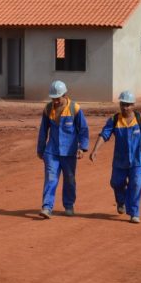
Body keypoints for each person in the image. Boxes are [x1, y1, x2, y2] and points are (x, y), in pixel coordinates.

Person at [89, 90, 141, 224]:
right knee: (116, 183)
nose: (125, 107)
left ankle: (134, 213)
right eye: (123, 104)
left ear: (133, 105)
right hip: (119, 162)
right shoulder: (114, 120)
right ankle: (121, 201)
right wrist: (95, 150)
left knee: (135, 185)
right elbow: (104, 135)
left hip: (137, 161)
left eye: (128, 105)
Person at [37, 80, 89, 218]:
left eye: (57, 98)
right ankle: (47, 207)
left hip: (69, 152)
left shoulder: (75, 109)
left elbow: (83, 129)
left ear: (65, 95)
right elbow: (43, 131)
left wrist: (82, 148)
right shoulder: (48, 109)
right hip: (52, 151)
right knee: (51, 179)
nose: (55, 101)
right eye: (53, 98)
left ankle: (69, 205)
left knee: (69, 179)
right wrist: (40, 149)